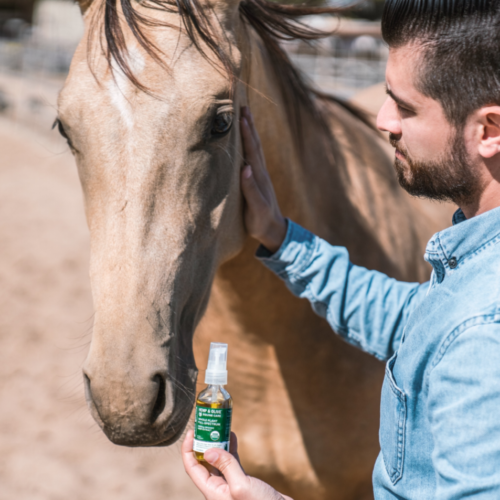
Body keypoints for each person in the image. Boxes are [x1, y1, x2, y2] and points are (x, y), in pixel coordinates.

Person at [182, 0, 500, 498]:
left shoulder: (483, 337)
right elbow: (411, 321)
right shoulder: (479, 265)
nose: (382, 119)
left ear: (489, 131)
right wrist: (282, 237)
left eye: (405, 106)